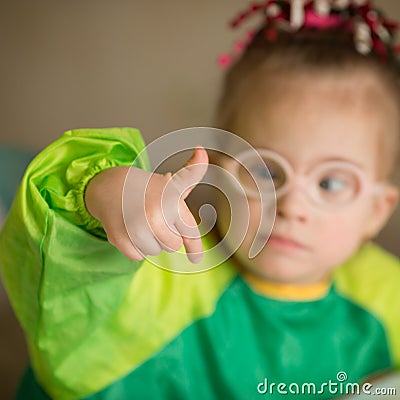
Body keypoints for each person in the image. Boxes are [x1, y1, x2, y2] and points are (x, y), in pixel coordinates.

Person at [1, 1, 400, 399]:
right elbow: (64, 292)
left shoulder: (385, 298)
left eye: (331, 184)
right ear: (221, 166)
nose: (292, 208)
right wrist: (102, 194)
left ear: (377, 210)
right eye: (266, 172)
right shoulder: (166, 272)